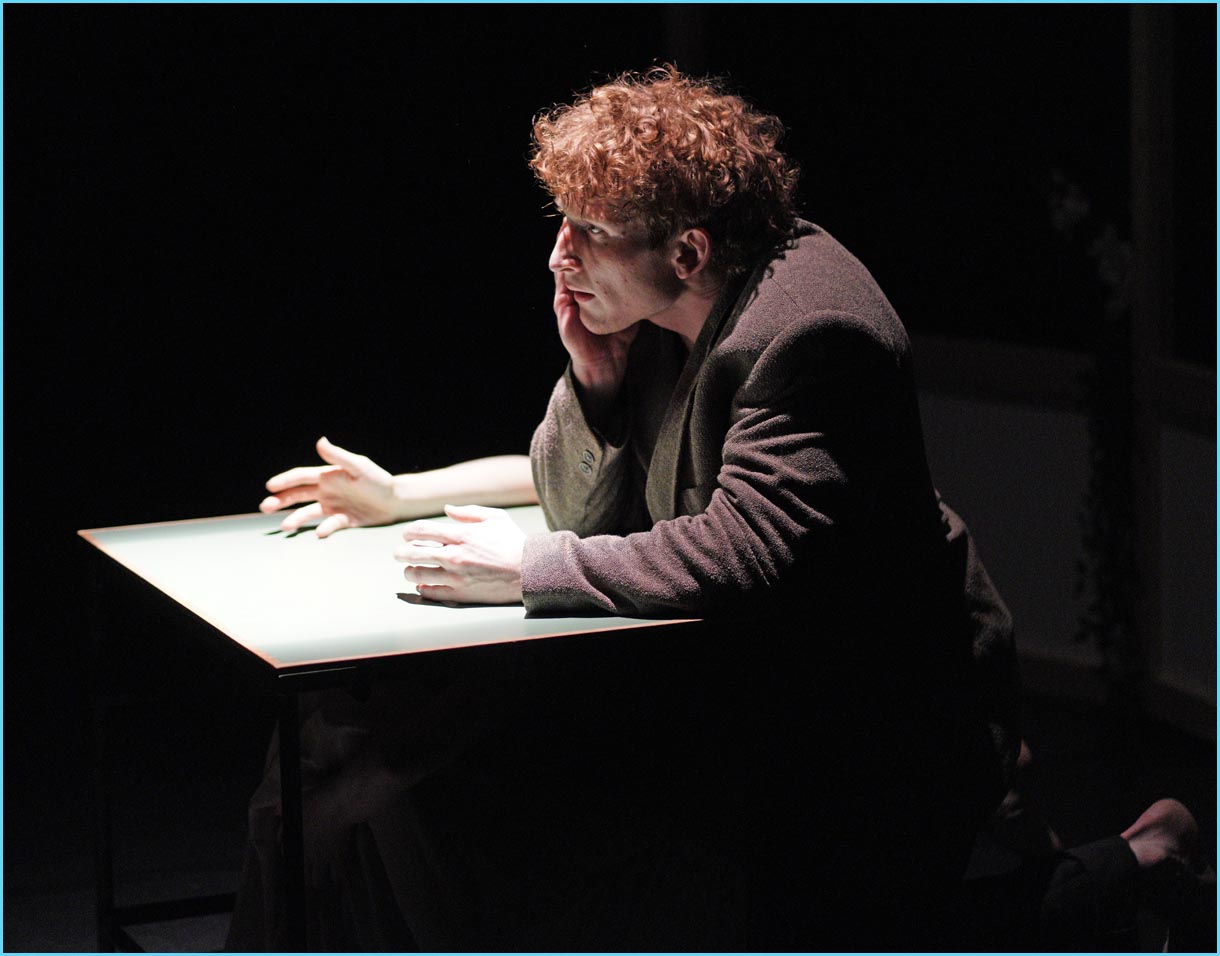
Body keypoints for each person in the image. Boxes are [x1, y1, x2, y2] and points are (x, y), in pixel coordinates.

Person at [225, 67, 1207, 951]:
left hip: (872, 713)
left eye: (588, 231)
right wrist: (593, 383)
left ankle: (1140, 860)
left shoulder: (813, 327)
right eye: (560, 222)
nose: (560, 256)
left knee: (857, 938)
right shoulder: (656, 314)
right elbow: (579, 502)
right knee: (372, 766)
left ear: (689, 248)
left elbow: (750, 551)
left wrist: (529, 569)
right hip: (741, 688)